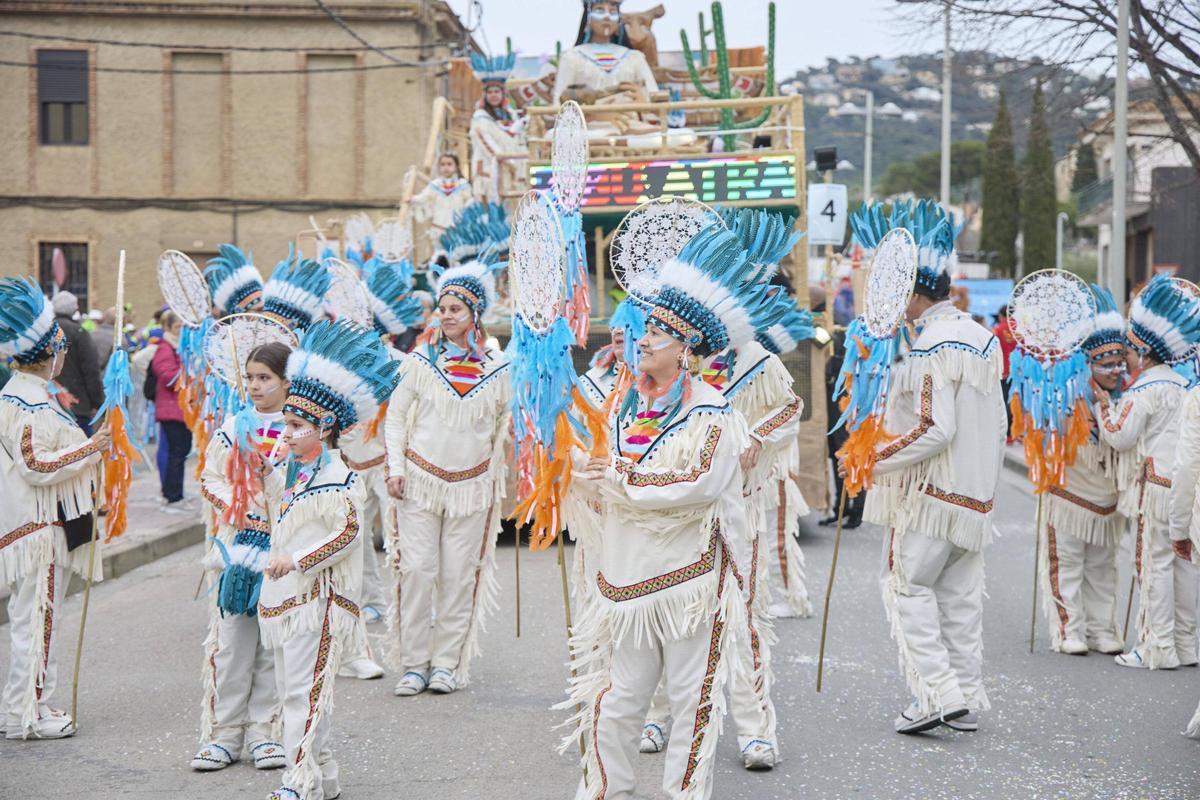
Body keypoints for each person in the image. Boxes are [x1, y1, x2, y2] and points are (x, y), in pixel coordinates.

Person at [567, 221, 803, 800]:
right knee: (618, 700)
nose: (642, 340)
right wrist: (580, 471)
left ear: (687, 349)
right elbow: (583, 456)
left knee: (694, 700)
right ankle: (608, 792)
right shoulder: (618, 404)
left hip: (690, 581)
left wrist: (619, 479)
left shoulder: (715, 413)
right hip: (623, 580)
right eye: (643, 330)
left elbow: (697, 484)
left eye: (657, 334)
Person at [637, 210, 815, 772]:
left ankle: (756, 729)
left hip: (738, 507)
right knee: (668, 611)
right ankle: (658, 716)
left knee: (741, 612)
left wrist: (754, 439)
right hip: (674, 512)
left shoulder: (754, 360)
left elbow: (789, 409)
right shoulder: (659, 370)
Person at [846, 200, 1006, 734]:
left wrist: (874, 456)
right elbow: (996, 423)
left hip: (933, 493)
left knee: (908, 587)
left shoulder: (931, 345)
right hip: (975, 494)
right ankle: (961, 693)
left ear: (916, 294)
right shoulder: (982, 338)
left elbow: (937, 427)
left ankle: (936, 692)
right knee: (958, 596)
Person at [258, 319, 399, 800]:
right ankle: (324, 775)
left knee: (304, 694)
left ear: (326, 428)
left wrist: (296, 561)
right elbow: (287, 518)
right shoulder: (297, 473)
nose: (288, 433)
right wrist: (265, 478)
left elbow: (349, 533)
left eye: (297, 426)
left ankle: (298, 781)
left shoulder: (341, 474)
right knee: (294, 693)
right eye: (287, 424)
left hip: (318, 601)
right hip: (287, 601)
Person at [384, 258, 511, 697]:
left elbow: (504, 427)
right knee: (417, 570)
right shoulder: (421, 360)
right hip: (420, 481)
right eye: (443, 307)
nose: (448, 315)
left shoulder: (498, 366)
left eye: (457, 308)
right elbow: (396, 417)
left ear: (475, 314)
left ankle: (446, 663)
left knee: (459, 576)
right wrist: (396, 468)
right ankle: (414, 662)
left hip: (472, 488)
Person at [0, 277, 110, 740]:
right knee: (38, 623)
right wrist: (91, 448)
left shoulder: (24, 394)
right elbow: (35, 464)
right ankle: (29, 712)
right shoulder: (27, 400)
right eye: (61, 349)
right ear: (51, 353)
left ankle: (22, 707)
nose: (64, 355)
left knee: (32, 621)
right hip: (41, 529)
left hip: (45, 525)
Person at [191, 342, 291, 773]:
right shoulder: (235, 425)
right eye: (250, 377)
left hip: (282, 550)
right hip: (240, 546)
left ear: (287, 381)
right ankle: (223, 733)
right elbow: (210, 477)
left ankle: (264, 733)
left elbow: (309, 484)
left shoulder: (299, 430)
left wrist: (273, 488)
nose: (254, 385)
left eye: (264, 378)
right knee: (232, 643)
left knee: (272, 645)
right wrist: (237, 504)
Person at [1094, 274, 1200, 670]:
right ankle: (1186, 645)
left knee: (1153, 565)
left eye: (1131, 350)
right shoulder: (1184, 385)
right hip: (1186, 488)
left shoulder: (1143, 391)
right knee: (1185, 566)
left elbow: (1120, 437)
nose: (1127, 359)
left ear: (1145, 352)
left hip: (1156, 487)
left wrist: (1104, 407)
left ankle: (1157, 646)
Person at [335, 257, 424, 682]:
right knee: (353, 540)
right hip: (349, 464)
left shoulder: (399, 361)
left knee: (396, 539)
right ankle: (367, 598)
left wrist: (400, 461)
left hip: (388, 463)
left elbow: (406, 415)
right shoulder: (335, 366)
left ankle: (402, 605)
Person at [1038, 286, 1126, 656]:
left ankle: (1104, 629)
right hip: (1068, 494)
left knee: (1103, 569)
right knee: (1068, 565)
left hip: (1107, 500)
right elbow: (1040, 434)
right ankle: (1070, 628)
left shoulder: (1126, 396)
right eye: (1106, 364)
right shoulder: (1063, 395)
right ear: (1087, 364)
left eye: (1120, 361)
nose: (1116, 369)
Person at [554, 0, 660, 137]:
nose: (607, 17)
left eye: (612, 12)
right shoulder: (572, 57)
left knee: (679, 136)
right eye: (599, 10)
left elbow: (654, 98)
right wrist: (596, 114)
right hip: (587, 129)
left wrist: (642, 101)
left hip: (632, 126)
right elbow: (558, 104)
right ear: (588, 18)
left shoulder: (634, 58)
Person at [468, 52, 525, 205]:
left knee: (514, 205)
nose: (494, 95)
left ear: (503, 93)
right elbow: (485, 142)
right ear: (485, 95)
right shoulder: (480, 116)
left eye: (497, 92)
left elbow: (519, 140)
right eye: (490, 92)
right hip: (490, 167)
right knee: (492, 205)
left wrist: (518, 162)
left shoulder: (512, 115)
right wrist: (505, 159)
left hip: (512, 168)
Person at [151, 310, 194, 509]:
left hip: (180, 408)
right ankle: (173, 495)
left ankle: (175, 492)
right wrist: (190, 371)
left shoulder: (180, 348)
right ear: (168, 328)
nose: (181, 331)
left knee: (181, 451)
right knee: (176, 452)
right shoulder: (165, 348)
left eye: (183, 327)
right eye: (177, 327)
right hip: (171, 408)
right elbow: (168, 376)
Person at [51, 291, 105, 435]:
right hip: (77, 403)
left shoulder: (45, 330)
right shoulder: (79, 332)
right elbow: (91, 369)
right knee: (82, 452)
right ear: (75, 309)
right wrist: (96, 402)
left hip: (48, 400)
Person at [413, 154, 474, 244]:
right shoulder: (435, 185)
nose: (446, 167)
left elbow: (470, 202)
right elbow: (423, 198)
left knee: (457, 255)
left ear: (456, 167)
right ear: (439, 167)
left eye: (449, 164)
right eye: (443, 164)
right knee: (440, 255)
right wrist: (412, 199)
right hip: (439, 229)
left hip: (458, 229)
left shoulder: (463, 185)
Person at [993, 304, 1017, 441]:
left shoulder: (998, 329)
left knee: (1005, 401)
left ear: (1002, 316)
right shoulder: (1022, 328)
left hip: (1003, 370)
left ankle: (1008, 433)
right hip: (1020, 371)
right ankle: (1018, 431)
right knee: (1018, 400)